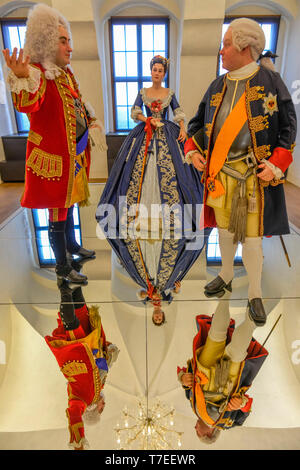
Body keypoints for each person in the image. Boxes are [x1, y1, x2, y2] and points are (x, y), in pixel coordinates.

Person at [184, 18, 297, 326]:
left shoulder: (271, 82)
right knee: (223, 230)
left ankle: (255, 293)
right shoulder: (217, 85)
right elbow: (197, 124)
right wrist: (193, 149)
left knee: (253, 239)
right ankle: (226, 274)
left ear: (244, 47)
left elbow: (288, 125)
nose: (221, 52)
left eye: (225, 45)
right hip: (220, 174)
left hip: (254, 179)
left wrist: (276, 162)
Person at [2, 3, 104, 283]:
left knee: (68, 204)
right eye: (63, 41)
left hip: (73, 155)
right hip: (52, 159)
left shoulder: (64, 73)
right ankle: (62, 267)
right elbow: (27, 104)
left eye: (69, 40)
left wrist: (92, 120)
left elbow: (77, 102)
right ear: (46, 42)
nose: (70, 48)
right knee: (57, 211)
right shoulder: (35, 73)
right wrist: (21, 77)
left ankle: (71, 246)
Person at [97, 55, 208, 301]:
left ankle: (168, 212)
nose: (157, 73)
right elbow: (134, 111)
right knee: (139, 171)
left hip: (165, 134)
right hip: (145, 133)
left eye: (160, 70)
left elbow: (178, 112)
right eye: (154, 70)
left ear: (164, 73)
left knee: (172, 174)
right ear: (150, 71)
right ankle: (139, 212)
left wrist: (181, 127)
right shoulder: (144, 91)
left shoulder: (169, 92)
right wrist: (146, 119)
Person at [177, 297, 268, 443]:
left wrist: (182, 378)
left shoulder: (192, 403)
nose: (195, 429)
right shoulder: (231, 423)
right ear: (208, 434)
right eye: (198, 433)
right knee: (237, 350)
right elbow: (246, 407)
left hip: (204, 371)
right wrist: (241, 403)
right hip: (227, 383)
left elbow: (185, 380)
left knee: (216, 334)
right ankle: (253, 312)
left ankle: (225, 294)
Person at [45, 281, 119, 450]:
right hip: (92, 344)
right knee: (82, 310)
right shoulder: (99, 388)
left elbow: (73, 413)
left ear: (93, 411)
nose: (103, 406)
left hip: (77, 353)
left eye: (101, 410)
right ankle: (75, 272)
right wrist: (109, 353)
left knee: (72, 321)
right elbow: (101, 364)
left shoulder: (83, 402)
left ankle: (64, 280)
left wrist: (79, 441)